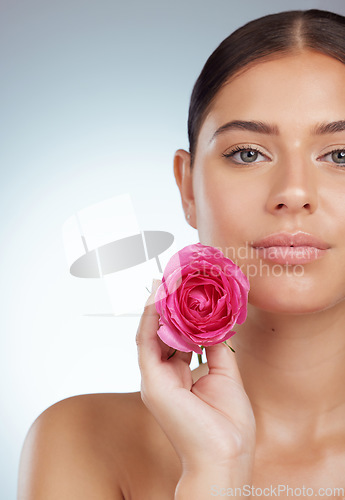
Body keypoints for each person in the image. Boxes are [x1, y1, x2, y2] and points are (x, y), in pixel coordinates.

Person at [17, 8, 345, 499]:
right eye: (248, 153)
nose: (294, 192)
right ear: (187, 187)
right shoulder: (82, 440)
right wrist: (214, 471)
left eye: (341, 155)